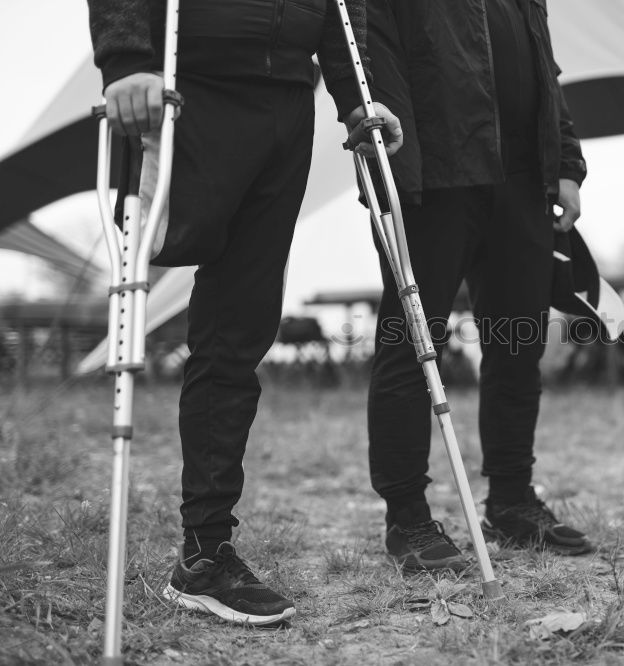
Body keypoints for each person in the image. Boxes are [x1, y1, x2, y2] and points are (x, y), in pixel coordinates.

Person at [86, 0, 402, 625]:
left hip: (287, 104)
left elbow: (342, 12)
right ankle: (204, 553)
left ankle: (205, 554)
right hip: (187, 91)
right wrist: (126, 59)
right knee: (193, 290)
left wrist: (357, 97)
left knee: (240, 328)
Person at [364, 0, 592, 572]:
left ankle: (512, 500)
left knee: (518, 345)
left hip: (522, 182)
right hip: (433, 178)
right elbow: (369, 60)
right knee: (413, 346)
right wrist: (388, 167)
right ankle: (407, 518)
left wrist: (566, 163)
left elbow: (546, 70)